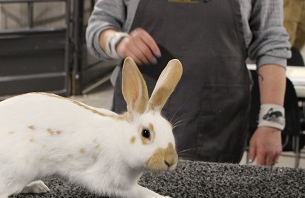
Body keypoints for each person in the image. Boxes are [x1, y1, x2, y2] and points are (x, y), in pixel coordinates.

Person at [86, 0, 291, 167]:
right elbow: (99, 26)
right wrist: (119, 42)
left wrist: (271, 122)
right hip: (140, 124)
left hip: (217, 123)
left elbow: (270, 41)